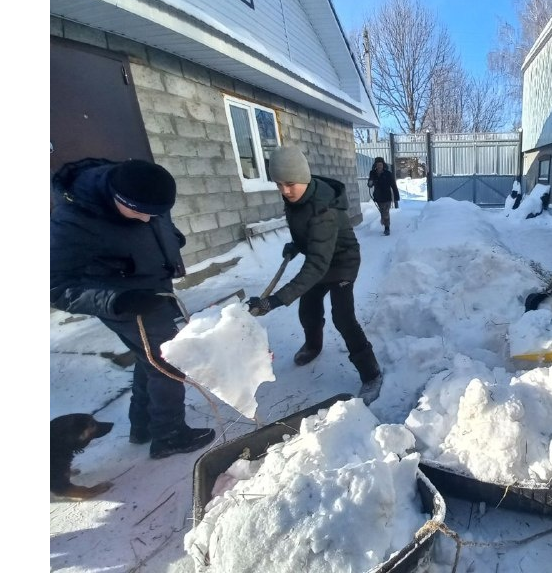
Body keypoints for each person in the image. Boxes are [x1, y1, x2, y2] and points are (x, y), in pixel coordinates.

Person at [50, 158, 215, 459]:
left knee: (148, 357)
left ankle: (144, 425)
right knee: (168, 361)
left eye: (155, 213)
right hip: (124, 301)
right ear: (116, 198)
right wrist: (116, 301)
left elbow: (156, 221)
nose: (146, 219)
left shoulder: (144, 191)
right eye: (138, 212)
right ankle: (169, 435)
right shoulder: (75, 220)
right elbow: (55, 286)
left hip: (155, 288)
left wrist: (170, 241)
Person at [246, 146, 384, 405]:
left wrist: (275, 300)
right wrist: (297, 244)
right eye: (279, 184)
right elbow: (309, 235)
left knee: (343, 318)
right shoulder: (296, 199)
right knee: (308, 309)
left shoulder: (324, 211)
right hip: (320, 257)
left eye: (289, 184)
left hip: (342, 262)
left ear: (304, 179)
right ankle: (313, 345)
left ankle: (371, 373)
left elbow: (317, 266)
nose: (285, 191)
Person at [367, 156, 400, 235]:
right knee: (382, 212)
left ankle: (387, 228)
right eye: (378, 164)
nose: (379, 166)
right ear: (375, 165)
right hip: (378, 196)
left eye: (380, 164)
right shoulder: (373, 173)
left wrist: (396, 195)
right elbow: (370, 184)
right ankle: (384, 221)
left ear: (383, 165)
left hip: (387, 196)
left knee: (385, 212)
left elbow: (393, 185)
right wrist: (370, 183)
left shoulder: (388, 174)